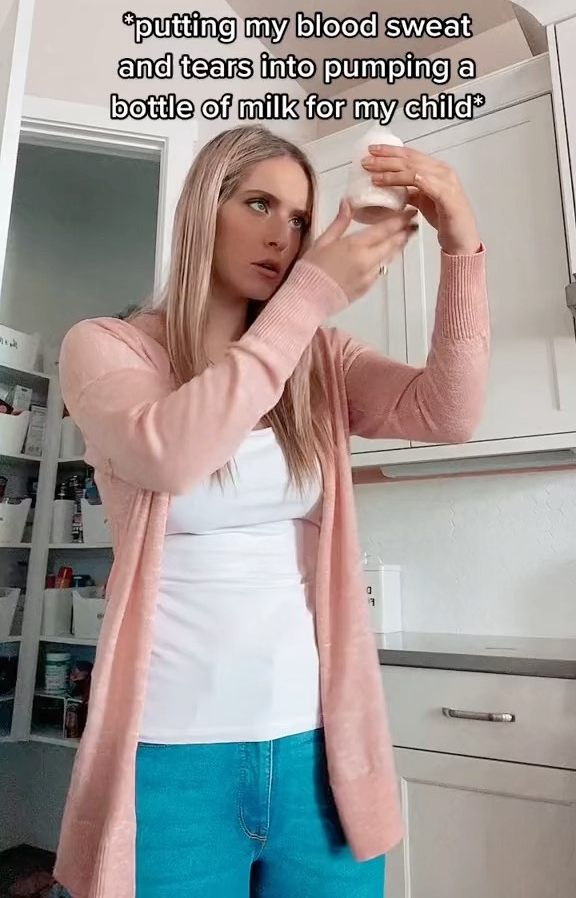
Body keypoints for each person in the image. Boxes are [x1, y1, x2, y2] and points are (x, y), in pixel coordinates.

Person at [53, 123, 490, 898]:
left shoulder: (319, 360)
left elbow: (447, 412)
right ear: (204, 208)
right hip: (170, 759)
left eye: (298, 219)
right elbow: (171, 455)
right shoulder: (107, 348)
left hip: (318, 757)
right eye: (258, 204)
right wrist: (311, 294)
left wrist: (460, 244)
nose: (282, 236)